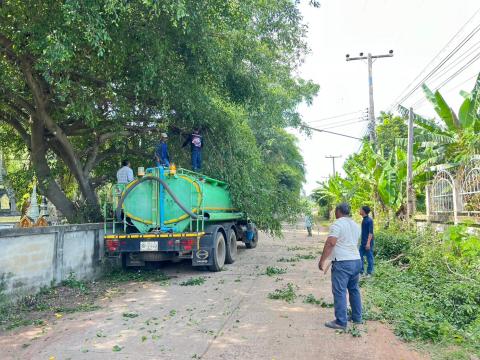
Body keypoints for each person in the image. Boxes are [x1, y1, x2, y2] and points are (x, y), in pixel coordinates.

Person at [318, 203, 362, 330]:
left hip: (343, 262)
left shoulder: (337, 224)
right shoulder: (355, 225)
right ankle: (357, 317)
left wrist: (322, 260)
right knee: (354, 289)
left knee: (340, 291)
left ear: (338, 211)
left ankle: (341, 322)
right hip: (356, 260)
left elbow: (331, 243)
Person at [359, 205, 374, 276]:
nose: (360, 210)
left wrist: (368, 243)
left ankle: (369, 272)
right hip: (363, 243)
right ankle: (361, 271)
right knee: (359, 256)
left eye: (361, 209)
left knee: (369, 258)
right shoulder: (364, 219)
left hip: (368, 243)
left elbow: (371, 233)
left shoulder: (369, 220)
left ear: (364, 211)